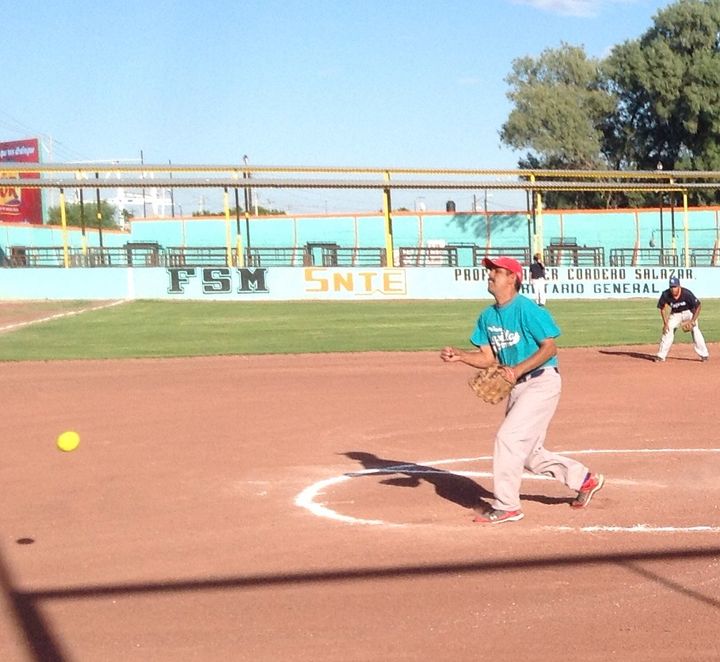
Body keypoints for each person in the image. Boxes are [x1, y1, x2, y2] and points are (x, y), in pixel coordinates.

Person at [440, 255, 604, 525]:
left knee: (508, 438)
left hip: (542, 382)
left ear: (513, 278)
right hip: (517, 387)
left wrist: (517, 370)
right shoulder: (487, 316)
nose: (490, 274)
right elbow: (487, 358)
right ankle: (585, 480)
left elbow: (549, 347)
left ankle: (507, 506)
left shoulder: (527, 310)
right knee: (528, 453)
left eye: (496, 271)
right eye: (490, 270)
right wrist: (461, 356)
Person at [654, 276, 709, 363]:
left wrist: (693, 320)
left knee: (695, 330)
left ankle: (704, 354)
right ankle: (661, 356)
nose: (673, 289)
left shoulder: (686, 293)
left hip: (689, 313)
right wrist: (665, 324)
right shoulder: (665, 294)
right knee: (668, 330)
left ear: (679, 286)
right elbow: (662, 308)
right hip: (675, 314)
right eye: (671, 287)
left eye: (675, 286)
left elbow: (698, 306)